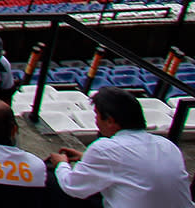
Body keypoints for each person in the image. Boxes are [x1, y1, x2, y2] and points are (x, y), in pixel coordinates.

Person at [48, 87, 194, 207]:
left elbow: (72, 186)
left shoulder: (104, 149)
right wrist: (86, 158)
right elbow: (136, 168)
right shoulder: (167, 145)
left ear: (110, 121)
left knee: (51, 179)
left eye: (97, 116)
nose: (96, 121)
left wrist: (61, 163)